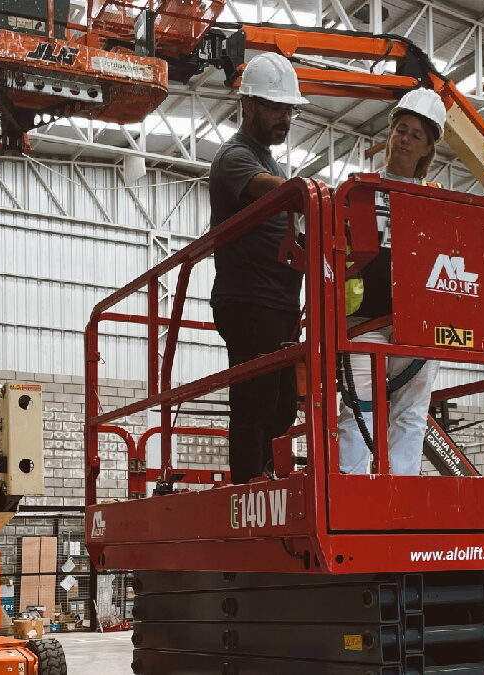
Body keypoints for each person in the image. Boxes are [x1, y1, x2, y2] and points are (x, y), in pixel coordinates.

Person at [208, 52, 309, 485]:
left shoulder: (271, 160)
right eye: (275, 107)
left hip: (280, 303)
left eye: (289, 109)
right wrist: (311, 191)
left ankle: (266, 474)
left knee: (284, 403)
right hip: (250, 300)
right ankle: (249, 482)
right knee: (255, 398)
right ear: (248, 104)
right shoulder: (235, 157)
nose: (284, 118)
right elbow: (272, 192)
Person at [337, 88, 447, 476]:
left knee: (410, 414)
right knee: (358, 410)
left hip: (416, 326)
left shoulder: (435, 204)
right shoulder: (357, 191)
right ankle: (352, 492)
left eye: (416, 135)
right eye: (401, 129)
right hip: (363, 321)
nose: (405, 138)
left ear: (427, 149)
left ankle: (401, 493)